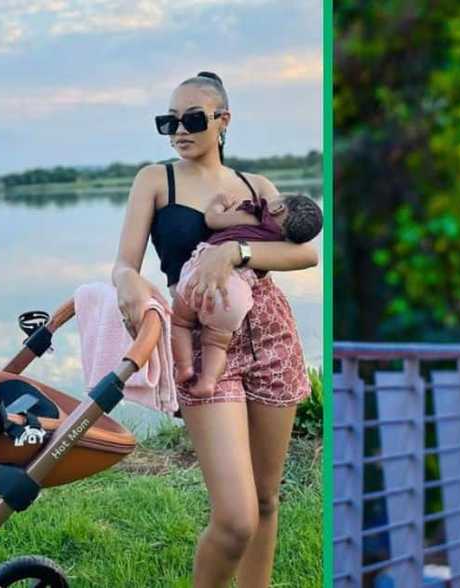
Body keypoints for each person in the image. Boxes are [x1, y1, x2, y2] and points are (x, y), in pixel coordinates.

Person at [112, 71, 316, 588]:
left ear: (224, 120)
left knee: (266, 500)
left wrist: (235, 251)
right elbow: (125, 264)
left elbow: (304, 253)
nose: (180, 130)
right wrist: (129, 284)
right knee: (235, 518)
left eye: (193, 119)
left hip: (269, 335)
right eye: (169, 121)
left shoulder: (256, 188)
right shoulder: (155, 180)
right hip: (201, 341)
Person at [171, 190, 322, 397]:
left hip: (203, 276)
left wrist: (217, 203)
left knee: (180, 323)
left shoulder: (255, 215)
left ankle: (184, 367)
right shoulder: (282, 242)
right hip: (236, 295)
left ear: (278, 208)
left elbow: (213, 220)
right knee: (216, 343)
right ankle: (208, 381)